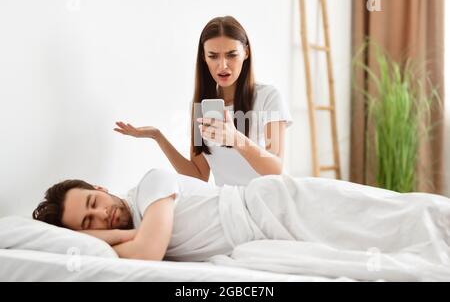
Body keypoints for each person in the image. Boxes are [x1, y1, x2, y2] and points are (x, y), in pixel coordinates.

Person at [33, 168, 450, 264]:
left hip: (276, 205)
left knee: (399, 216)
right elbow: (144, 248)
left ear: (100, 189)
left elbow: (149, 252)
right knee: (374, 246)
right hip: (263, 237)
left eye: (93, 203)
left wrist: (101, 240)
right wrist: (101, 240)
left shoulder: (150, 185)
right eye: (89, 225)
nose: (102, 215)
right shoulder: (133, 233)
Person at [113, 16, 292, 186]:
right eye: (213, 56)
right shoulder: (200, 106)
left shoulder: (268, 97)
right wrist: (157, 136)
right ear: (203, 57)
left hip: (269, 199)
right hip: (231, 205)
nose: (222, 65)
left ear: (246, 52)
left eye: (231, 55)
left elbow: (275, 169)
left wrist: (235, 138)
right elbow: (198, 176)